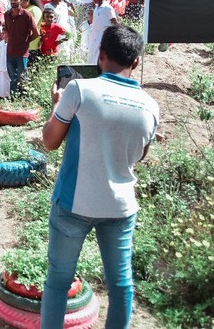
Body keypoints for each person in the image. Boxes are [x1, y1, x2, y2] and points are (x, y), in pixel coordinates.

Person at [39, 25, 159, 329]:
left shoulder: (80, 90)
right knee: (121, 285)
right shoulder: (151, 106)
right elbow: (139, 155)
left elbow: (50, 142)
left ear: (100, 55)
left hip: (73, 205)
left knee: (57, 283)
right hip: (120, 208)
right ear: (136, 62)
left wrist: (56, 105)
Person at [3, 0, 40, 95]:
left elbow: (36, 33)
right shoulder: (7, 14)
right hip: (10, 51)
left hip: (22, 53)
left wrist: (26, 42)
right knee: (12, 77)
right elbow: (6, 29)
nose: (13, 1)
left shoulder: (26, 15)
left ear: (21, 0)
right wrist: (6, 36)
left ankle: (24, 100)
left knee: (22, 78)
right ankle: (13, 99)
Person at [87, 0, 119, 65]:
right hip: (95, 36)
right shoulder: (97, 7)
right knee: (92, 55)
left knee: (100, 56)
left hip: (103, 37)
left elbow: (114, 21)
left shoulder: (107, 8)